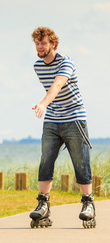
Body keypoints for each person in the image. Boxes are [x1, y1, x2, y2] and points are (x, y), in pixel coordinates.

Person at [29, 27, 96, 229]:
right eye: (37, 43)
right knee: (46, 160)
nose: (40, 47)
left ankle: (88, 203)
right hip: (52, 119)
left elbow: (57, 85)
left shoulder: (66, 62)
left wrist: (42, 103)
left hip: (74, 117)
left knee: (80, 161)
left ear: (53, 44)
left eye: (44, 43)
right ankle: (43, 204)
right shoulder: (37, 66)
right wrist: (47, 107)